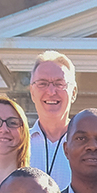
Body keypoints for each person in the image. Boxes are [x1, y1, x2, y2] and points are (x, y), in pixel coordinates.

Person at [24, 51, 78, 186]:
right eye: (42, 83)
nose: (51, 91)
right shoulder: (18, 144)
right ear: (32, 92)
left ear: (74, 92)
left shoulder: (88, 147)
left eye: (60, 84)